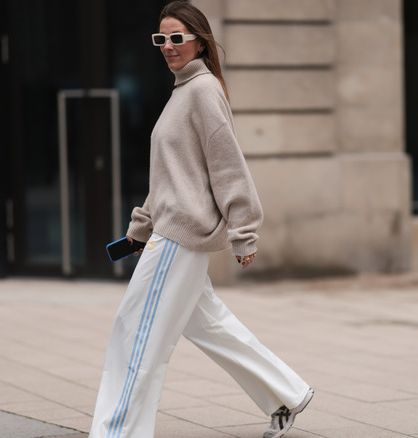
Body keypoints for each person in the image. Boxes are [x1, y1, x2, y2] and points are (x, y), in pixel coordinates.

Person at [88, 2, 313, 437]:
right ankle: (287, 395)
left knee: (135, 334)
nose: (168, 46)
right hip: (172, 230)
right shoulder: (183, 91)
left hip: (180, 237)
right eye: (161, 38)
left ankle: (117, 433)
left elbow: (228, 165)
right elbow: (171, 177)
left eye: (177, 37)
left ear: (200, 41)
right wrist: (139, 228)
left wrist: (243, 232)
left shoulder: (203, 90)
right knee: (212, 326)